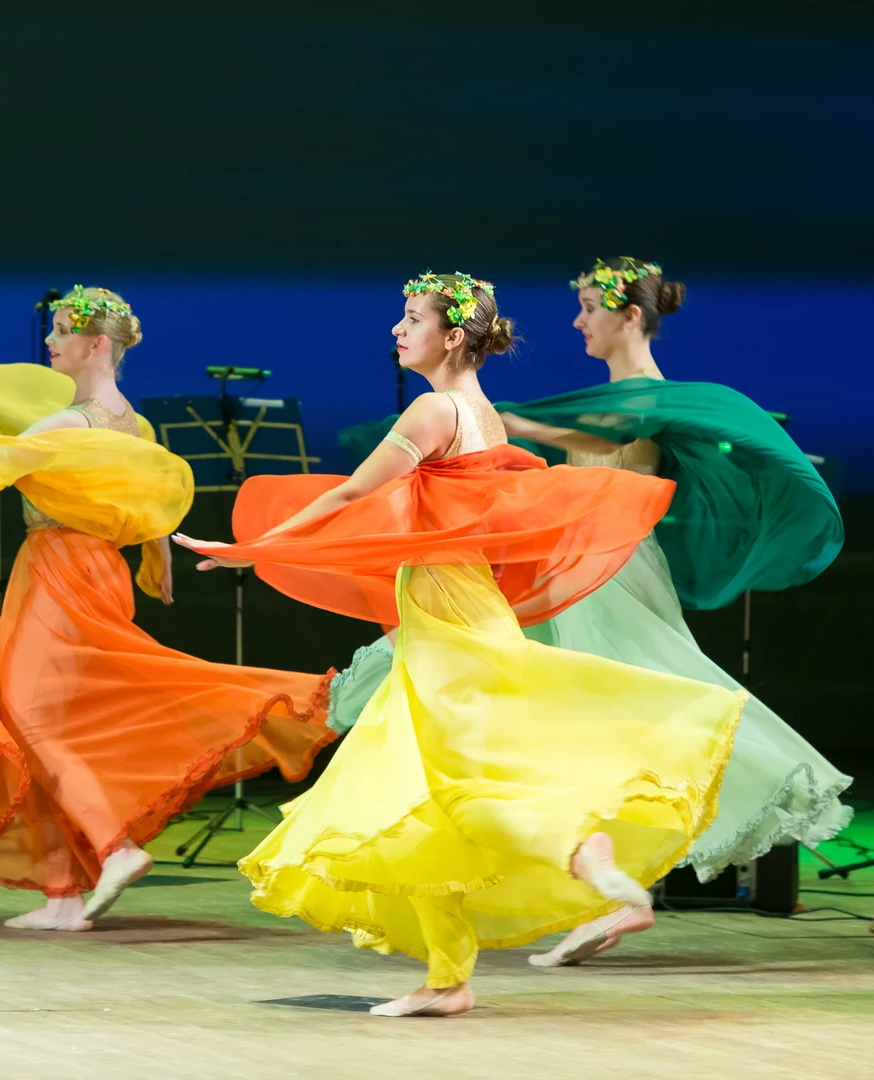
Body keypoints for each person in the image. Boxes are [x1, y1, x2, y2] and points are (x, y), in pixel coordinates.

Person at [175, 272, 745, 1017]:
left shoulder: (434, 408)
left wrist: (252, 548)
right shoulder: (482, 415)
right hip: (459, 606)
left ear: (450, 337)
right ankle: (447, 978)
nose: (396, 329)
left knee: (453, 784)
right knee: (423, 793)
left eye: (411, 318)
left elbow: (350, 493)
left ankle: (581, 853)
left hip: (446, 614)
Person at [0, 286, 335, 931]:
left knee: (33, 720)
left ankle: (114, 847)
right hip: (98, 571)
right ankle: (62, 894)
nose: (50, 341)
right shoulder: (133, 425)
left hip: (56, 569)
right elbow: (147, 505)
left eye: (62, 331)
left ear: (97, 345)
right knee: (33, 718)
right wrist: (155, 566)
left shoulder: (68, 425)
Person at [494, 257, 850, 965]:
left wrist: (512, 422)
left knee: (630, 711)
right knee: (591, 726)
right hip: (582, 567)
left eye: (590, 307)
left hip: (612, 572)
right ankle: (609, 893)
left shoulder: (649, 399)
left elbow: (606, 445)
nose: (577, 320)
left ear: (630, 316)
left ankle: (623, 885)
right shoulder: (612, 399)